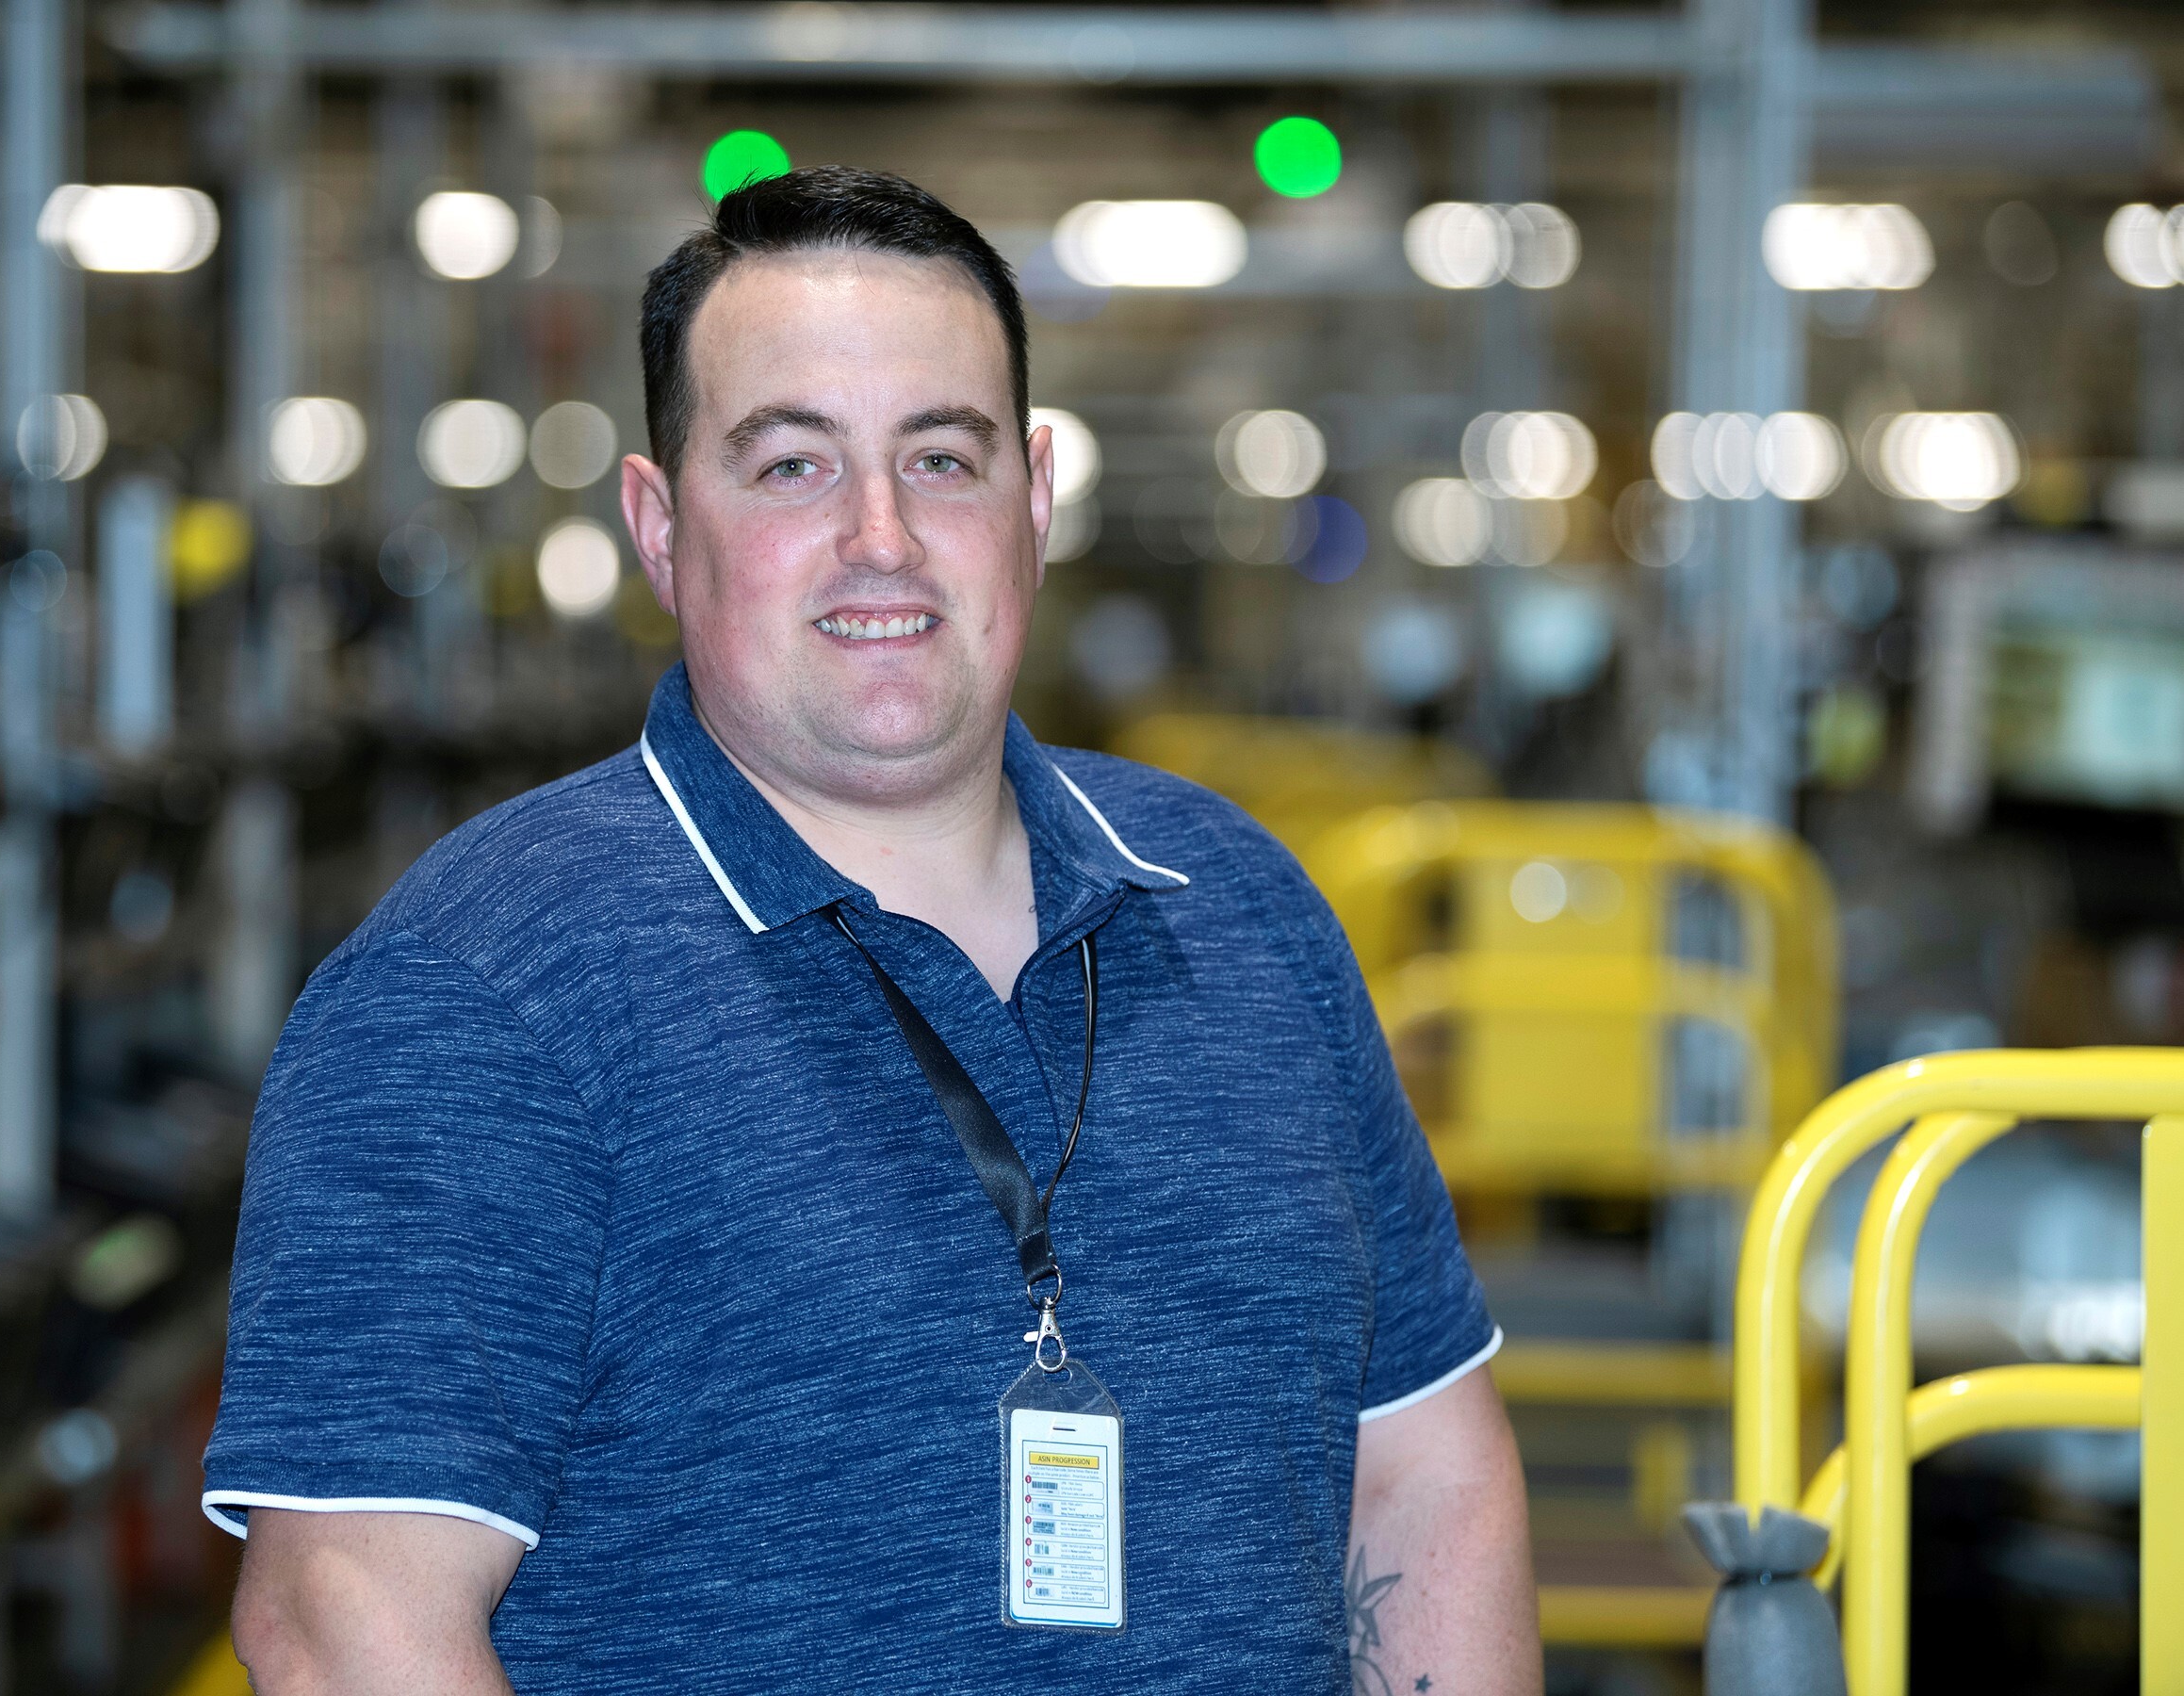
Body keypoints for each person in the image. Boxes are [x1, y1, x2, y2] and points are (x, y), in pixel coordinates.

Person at [207, 165, 1540, 1694]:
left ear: (1034, 501)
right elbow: (344, 1625)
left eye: (944, 460)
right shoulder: (478, 990)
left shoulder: (1239, 906)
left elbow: (1427, 1482)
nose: (884, 538)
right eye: (790, 466)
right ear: (658, 524)